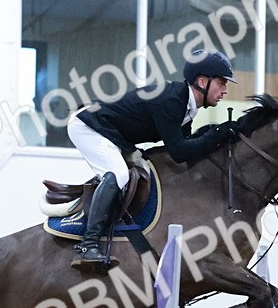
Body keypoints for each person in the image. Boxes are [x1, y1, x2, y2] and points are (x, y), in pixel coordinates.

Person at [67, 48, 239, 270]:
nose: (225, 90)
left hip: (113, 133)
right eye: (222, 83)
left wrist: (216, 134)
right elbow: (178, 152)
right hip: (88, 125)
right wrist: (215, 134)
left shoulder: (187, 107)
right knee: (119, 174)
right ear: (203, 81)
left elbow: (187, 149)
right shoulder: (171, 102)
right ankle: (87, 246)